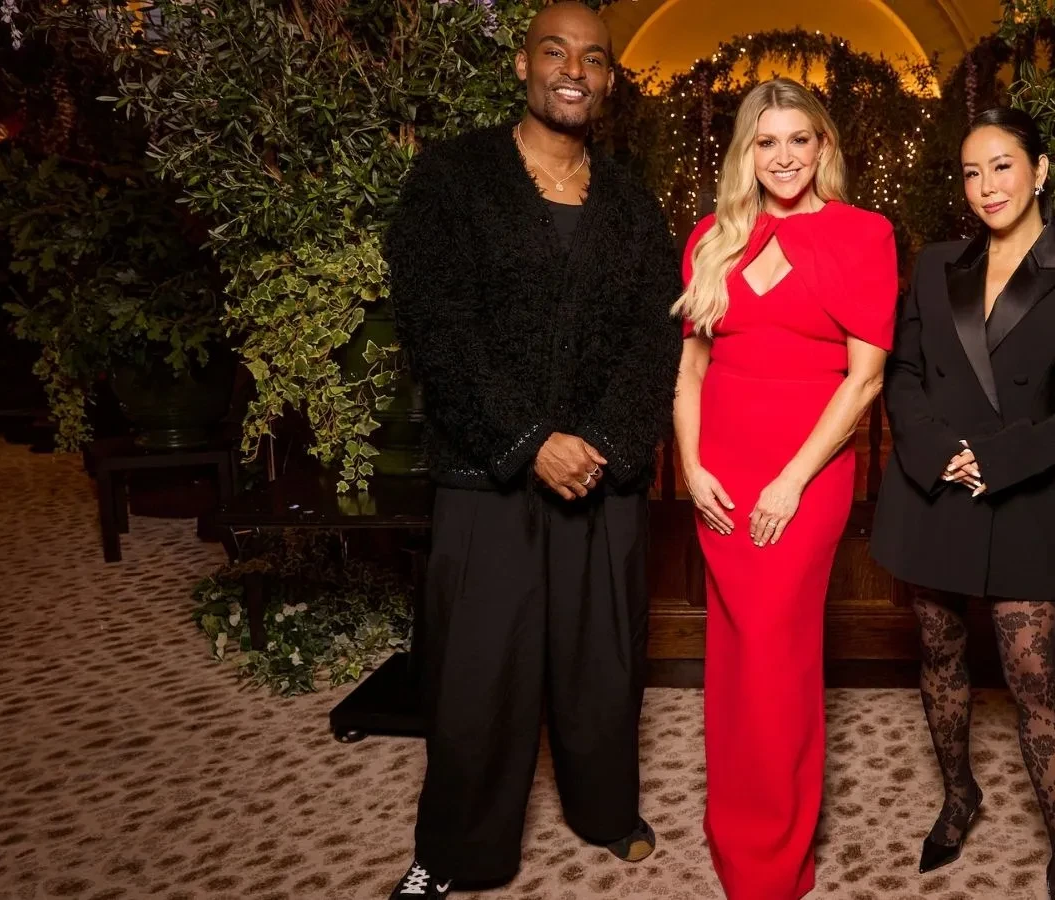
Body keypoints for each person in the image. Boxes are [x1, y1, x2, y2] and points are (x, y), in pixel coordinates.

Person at [381, 3, 682, 897]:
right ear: (524, 64)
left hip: (600, 473)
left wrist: (596, 442)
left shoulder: (630, 201)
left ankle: (605, 811)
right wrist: (528, 441)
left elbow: (652, 340)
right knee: (479, 677)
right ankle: (457, 852)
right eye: (556, 51)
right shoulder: (453, 177)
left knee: (603, 666)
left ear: (610, 80)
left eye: (593, 58)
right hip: (488, 474)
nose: (573, 70)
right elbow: (438, 326)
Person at [870, 107, 1055, 900]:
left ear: (1041, 170)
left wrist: (1005, 456)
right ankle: (959, 799)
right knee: (942, 657)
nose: (987, 186)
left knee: (1032, 677)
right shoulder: (934, 264)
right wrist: (931, 452)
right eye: (973, 171)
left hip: (1021, 491)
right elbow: (903, 374)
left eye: (1004, 166)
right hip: (935, 487)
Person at [673, 78, 898, 900]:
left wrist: (789, 482)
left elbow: (866, 381)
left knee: (775, 656)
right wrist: (694, 469)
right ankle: (735, 837)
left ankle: (775, 863)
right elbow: (691, 370)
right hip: (721, 477)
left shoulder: (864, 235)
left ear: (824, 146)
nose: (783, 158)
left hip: (802, 479)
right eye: (766, 142)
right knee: (732, 656)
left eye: (798, 139)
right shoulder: (713, 235)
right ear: (746, 152)